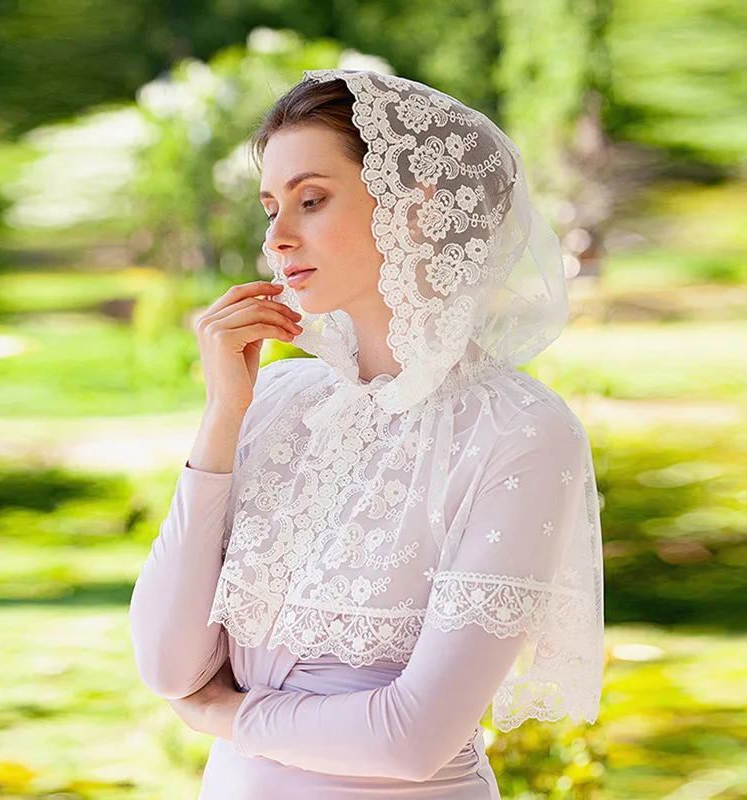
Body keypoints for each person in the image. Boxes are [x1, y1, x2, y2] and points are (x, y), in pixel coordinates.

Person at [128, 68, 605, 799]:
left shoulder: (521, 433)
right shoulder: (275, 401)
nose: (277, 238)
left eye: (310, 201)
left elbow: (413, 739)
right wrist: (223, 417)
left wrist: (228, 712)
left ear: (418, 210)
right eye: (269, 208)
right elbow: (167, 666)